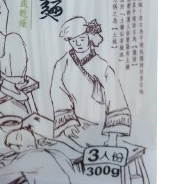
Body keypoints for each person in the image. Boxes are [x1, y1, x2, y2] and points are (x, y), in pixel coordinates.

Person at [51, 17, 132, 149]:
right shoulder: (62, 64)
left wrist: (112, 137)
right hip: (74, 125)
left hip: (103, 127)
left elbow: (116, 101)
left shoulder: (104, 67)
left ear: (89, 37)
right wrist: (68, 125)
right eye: (73, 40)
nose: (78, 43)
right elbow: (58, 93)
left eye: (82, 39)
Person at [0, 130, 73, 184]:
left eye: (10, 145)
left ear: (18, 147)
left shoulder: (27, 156)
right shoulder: (50, 152)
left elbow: (4, 171)